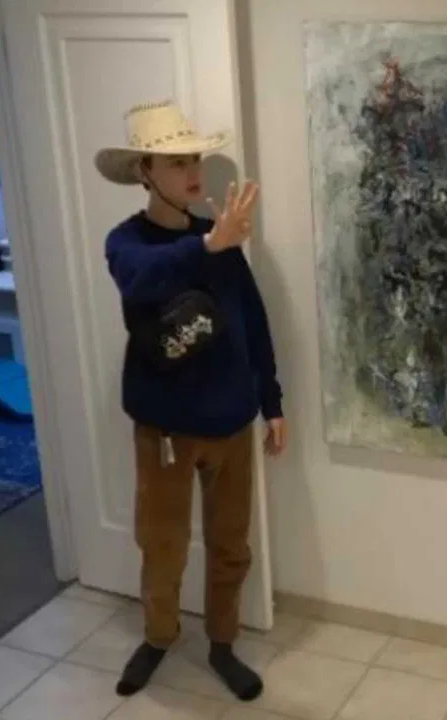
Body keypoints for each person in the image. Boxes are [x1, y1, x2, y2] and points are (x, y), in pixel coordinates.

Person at [94, 100, 286, 702]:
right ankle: (159, 637)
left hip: (230, 421)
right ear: (145, 171)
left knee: (231, 546)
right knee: (163, 546)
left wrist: (273, 402)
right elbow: (139, 278)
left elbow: (252, 320)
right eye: (177, 162)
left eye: (195, 159)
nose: (193, 172)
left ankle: (223, 644)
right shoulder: (128, 242)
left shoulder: (218, 238)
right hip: (165, 432)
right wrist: (208, 245)